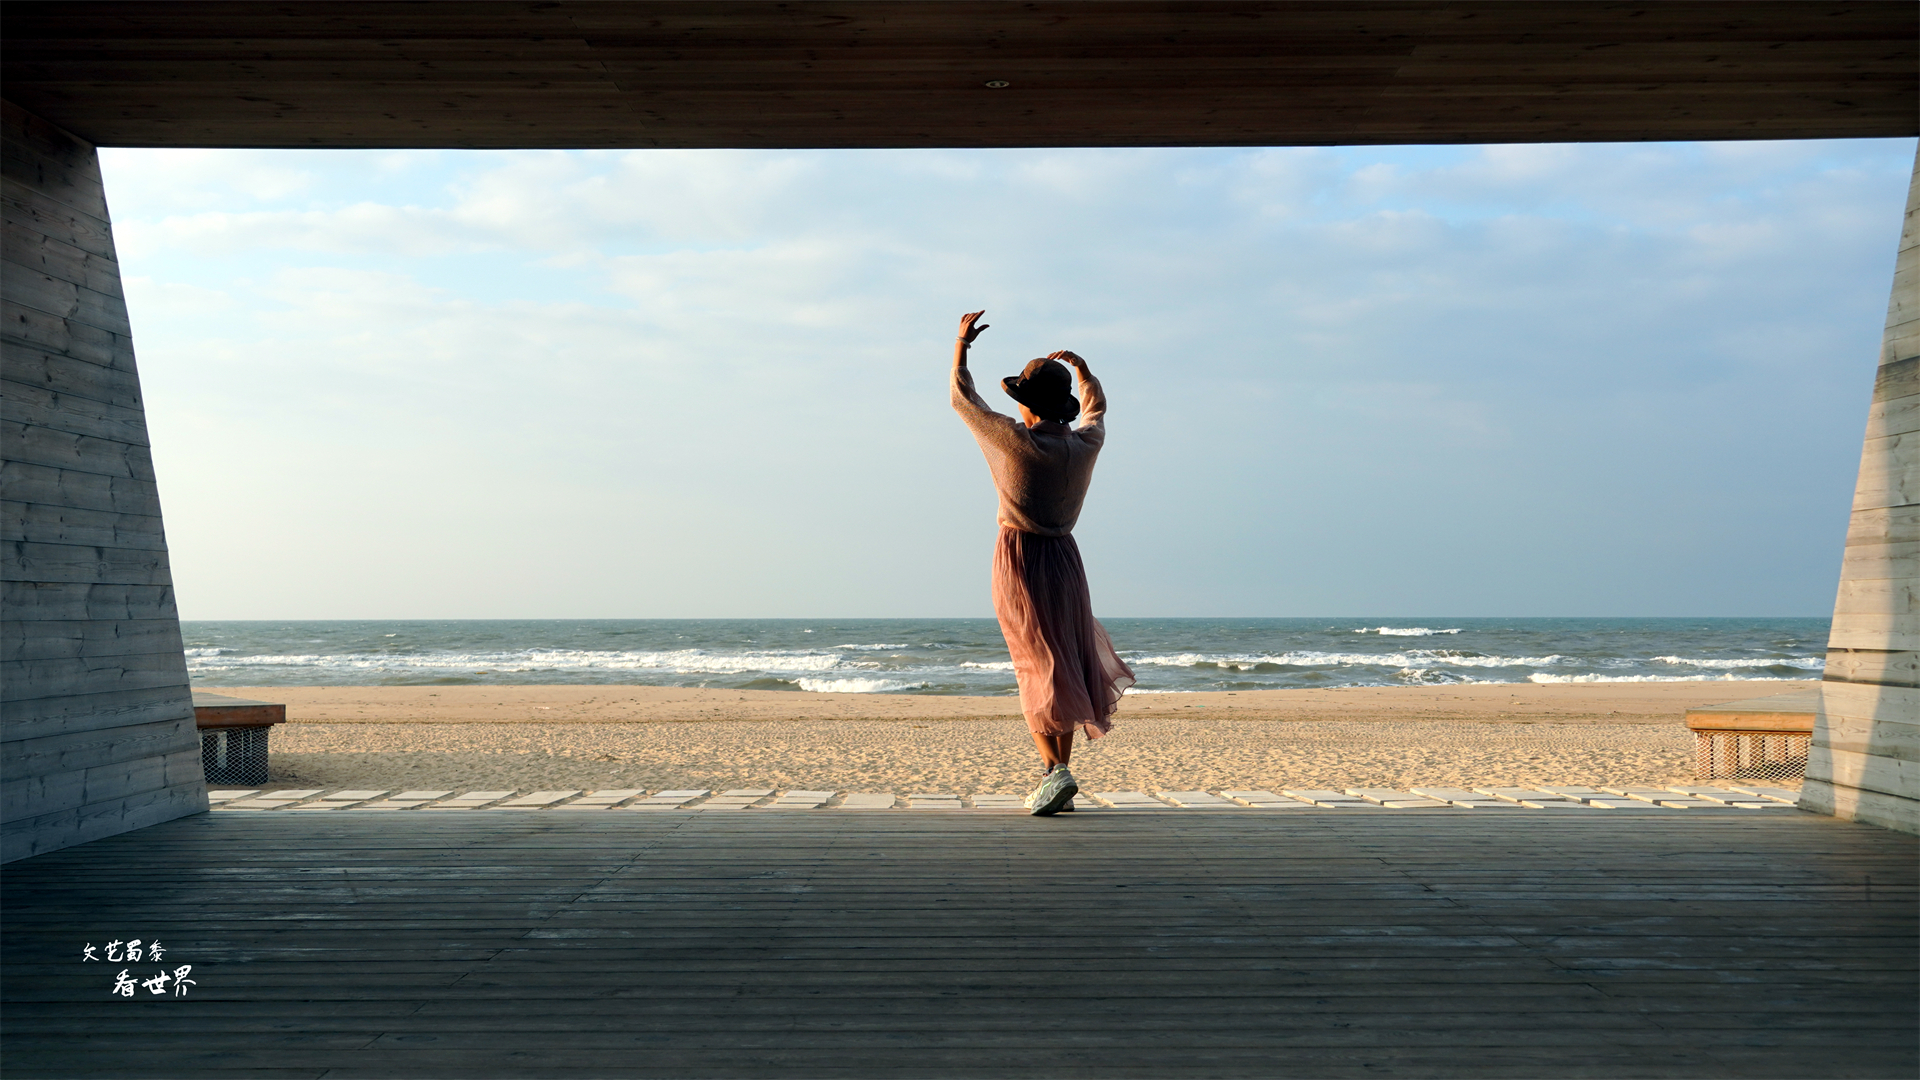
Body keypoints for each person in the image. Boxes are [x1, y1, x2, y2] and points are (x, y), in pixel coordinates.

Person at [950, 310, 1136, 816]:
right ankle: (1058, 777)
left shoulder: (1016, 441)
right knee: (1064, 662)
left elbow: (963, 400)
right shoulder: (1084, 445)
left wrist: (962, 345)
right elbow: (1097, 411)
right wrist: (1084, 373)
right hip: (1066, 560)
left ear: (1027, 405)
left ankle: (1056, 772)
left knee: (1034, 665)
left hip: (1021, 556)